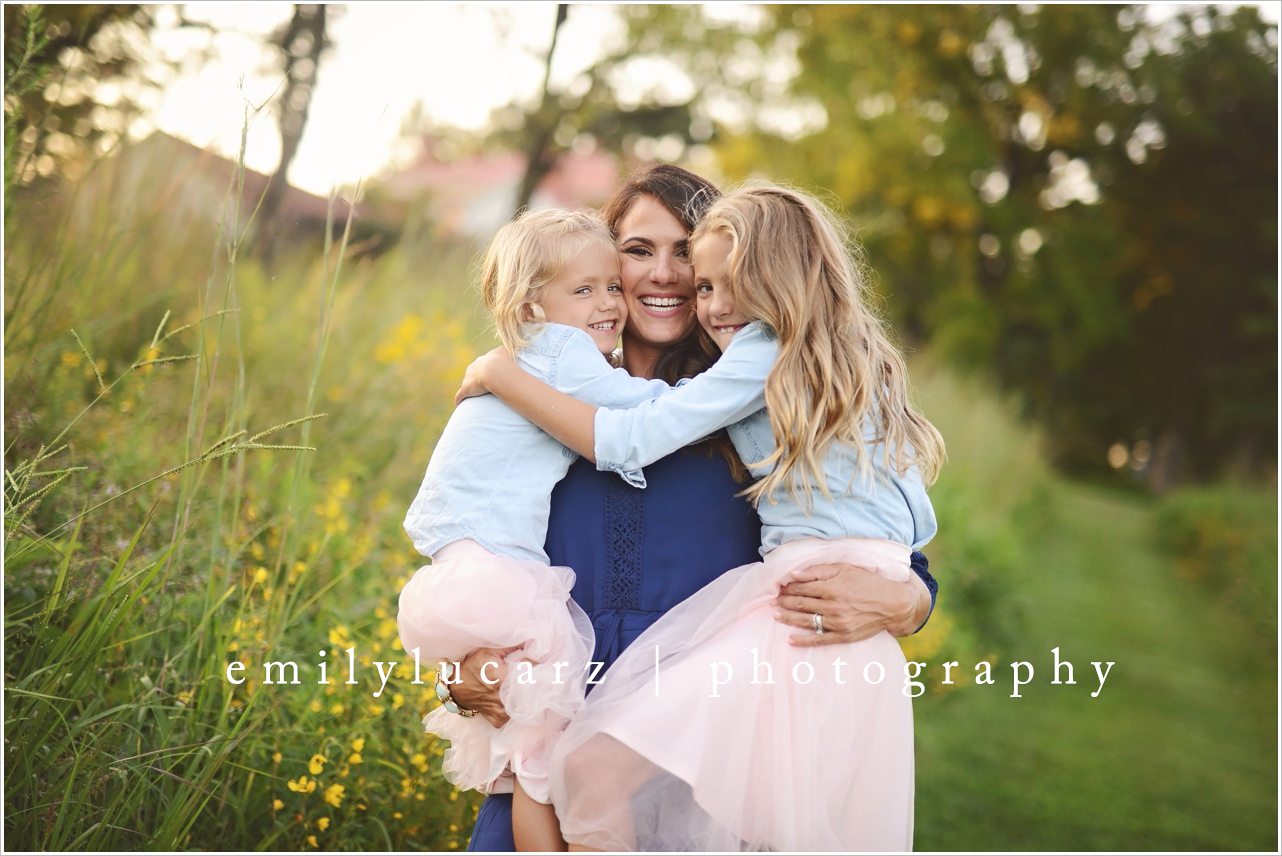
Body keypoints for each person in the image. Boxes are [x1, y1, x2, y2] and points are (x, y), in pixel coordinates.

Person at [446, 166, 940, 851]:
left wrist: (908, 600)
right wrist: (459, 667)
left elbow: (888, 543)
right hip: (557, 719)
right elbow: (467, 538)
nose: (669, 276)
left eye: (689, 254)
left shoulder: (769, 396)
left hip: (700, 752)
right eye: (639, 250)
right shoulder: (535, 403)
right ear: (597, 257)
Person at [396, 208, 680, 851]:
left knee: (533, 761)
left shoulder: (524, 361)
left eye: (608, 284)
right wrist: (457, 677)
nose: (610, 300)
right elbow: (637, 415)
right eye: (590, 287)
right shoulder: (566, 358)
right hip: (500, 569)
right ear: (530, 306)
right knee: (538, 758)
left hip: (474, 559)